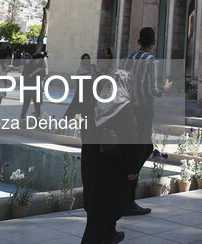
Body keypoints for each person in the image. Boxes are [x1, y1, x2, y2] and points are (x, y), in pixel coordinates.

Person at [80, 66, 136, 244]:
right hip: (112, 167)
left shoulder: (95, 102)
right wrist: (132, 168)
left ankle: (110, 234)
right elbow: (129, 139)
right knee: (102, 213)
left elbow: (84, 132)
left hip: (92, 163)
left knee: (98, 208)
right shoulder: (124, 106)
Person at [122, 27, 171, 217]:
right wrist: (165, 87)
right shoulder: (151, 61)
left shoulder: (128, 59)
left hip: (127, 110)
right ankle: (127, 200)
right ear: (153, 43)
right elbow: (154, 89)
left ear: (138, 41)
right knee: (140, 150)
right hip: (142, 111)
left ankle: (126, 194)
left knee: (134, 149)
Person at [20, 52, 47, 122]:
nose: (40, 62)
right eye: (39, 60)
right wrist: (35, 71)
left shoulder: (40, 67)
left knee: (37, 106)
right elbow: (25, 78)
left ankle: (38, 121)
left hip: (37, 88)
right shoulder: (28, 67)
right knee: (26, 104)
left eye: (41, 60)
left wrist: (42, 71)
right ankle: (22, 119)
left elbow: (42, 77)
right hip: (28, 87)